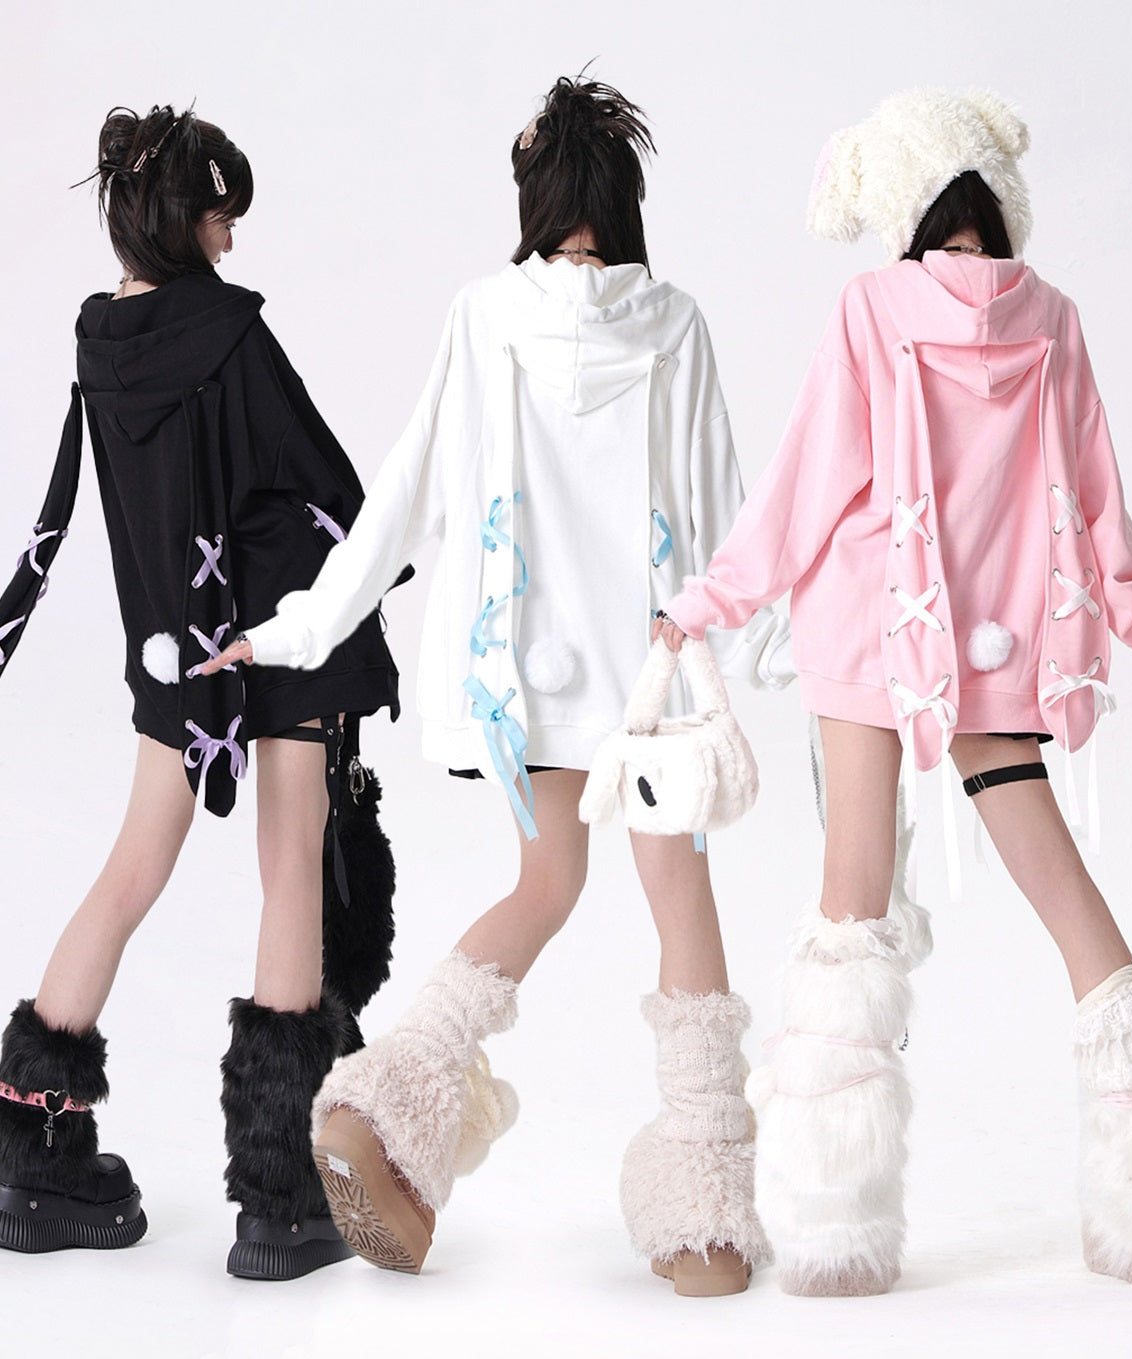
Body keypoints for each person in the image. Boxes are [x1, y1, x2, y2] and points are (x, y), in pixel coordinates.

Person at [208, 74, 790, 1296]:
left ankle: (387, 1102)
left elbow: (402, 494)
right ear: (622, 204)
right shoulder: (674, 323)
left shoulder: (484, 315)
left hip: (522, 679)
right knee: (679, 897)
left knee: (544, 883)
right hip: (651, 678)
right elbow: (726, 512)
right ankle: (703, 1215)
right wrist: (785, 650)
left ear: (534, 201)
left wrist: (299, 626)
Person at [658, 88, 1132, 1294]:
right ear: (999, 201)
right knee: (1065, 892)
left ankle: (835, 1232)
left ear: (903, 208)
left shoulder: (873, 307)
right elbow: (1097, 497)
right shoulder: (1052, 316)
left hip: (874, 634)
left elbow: (805, 485)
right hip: (999, 645)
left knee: (850, 903)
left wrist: (707, 602)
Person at [0, 105, 404, 1280]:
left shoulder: (100, 342)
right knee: (292, 866)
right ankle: (279, 1197)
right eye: (223, 215)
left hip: (175, 647)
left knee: (132, 866)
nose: (232, 238)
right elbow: (322, 476)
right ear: (184, 216)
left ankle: (31, 1149)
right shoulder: (228, 332)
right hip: (280, 629)